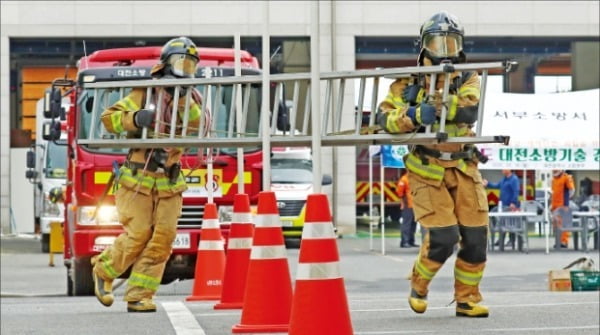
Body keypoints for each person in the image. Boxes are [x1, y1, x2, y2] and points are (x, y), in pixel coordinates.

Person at [376, 11, 489, 317]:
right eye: (438, 42)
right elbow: (383, 117)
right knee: (443, 238)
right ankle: (419, 284)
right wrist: (413, 115)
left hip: (465, 168)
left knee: (476, 240)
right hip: (427, 171)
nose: (445, 49)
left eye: (451, 42)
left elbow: (469, 110)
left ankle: (467, 300)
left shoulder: (468, 76)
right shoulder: (406, 82)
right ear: (424, 46)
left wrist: (440, 105)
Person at [92, 37, 204, 312]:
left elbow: (195, 127)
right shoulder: (145, 93)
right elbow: (109, 118)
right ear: (166, 64)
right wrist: (136, 118)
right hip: (138, 180)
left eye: (191, 65)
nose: (186, 69)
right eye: (181, 63)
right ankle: (104, 270)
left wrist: (181, 102)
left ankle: (140, 295)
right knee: (139, 233)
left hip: (169, 182)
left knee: (163, 239)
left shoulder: (191, 101)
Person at [483, 169, 521, 247]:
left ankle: (511, 240)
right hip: (503, 205)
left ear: (509, 170)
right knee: (502, 222)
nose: (502, 170)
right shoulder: (504, 179)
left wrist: (513, 202)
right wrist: (488, 184)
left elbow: (516, 191)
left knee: (511, 223)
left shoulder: (514, 179)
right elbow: (497, 185)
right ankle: (501, 240)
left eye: (504, 168)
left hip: (510, 206)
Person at [551, 169, 575, 248]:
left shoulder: (566, 178)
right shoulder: (553, 179)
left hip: (563, 205)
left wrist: (566, 203)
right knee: (556, 225)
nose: (554, 170)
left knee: (563, 224)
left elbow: (571, 190)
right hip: (555, 205)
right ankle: (558, 241)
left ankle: (564, 242)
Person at [396, 169, 418, 248]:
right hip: (407, 205)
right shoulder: (404, 179)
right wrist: (404, 203)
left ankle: (411, 241)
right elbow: (400, 192)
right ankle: (404, 241)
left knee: (413, 224)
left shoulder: (415, 179)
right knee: (407, 224)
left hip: (415, 205)